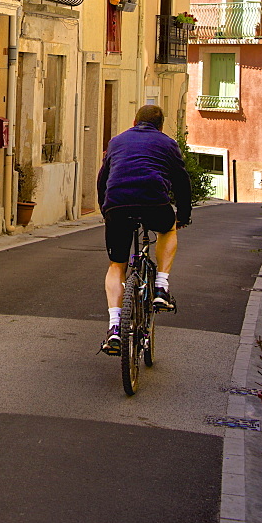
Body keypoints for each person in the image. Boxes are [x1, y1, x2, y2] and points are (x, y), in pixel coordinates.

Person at [96, 104, 192, 356]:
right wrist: (183, 215)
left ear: (134, 121)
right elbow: (182, 181)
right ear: (161, 126)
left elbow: (102, 179)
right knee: (168, 230)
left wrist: (105, 210)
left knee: (117, 264)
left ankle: (115, 327)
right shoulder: (168, 143)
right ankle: (161, 286)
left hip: (117, 204)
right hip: (154, 202)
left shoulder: (116, 141)